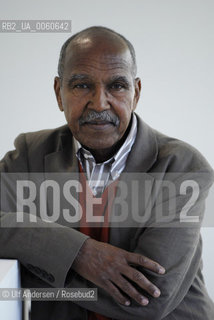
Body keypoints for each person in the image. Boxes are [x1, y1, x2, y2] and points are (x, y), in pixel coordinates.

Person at [0, 26, 214, 320]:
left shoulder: (182, 167)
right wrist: (81, 254)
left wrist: (39, 266)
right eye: (81, 85)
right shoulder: (30, 154)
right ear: (58, 92)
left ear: (135, 93)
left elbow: (149, 299)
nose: (100, 103)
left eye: (116, 85)